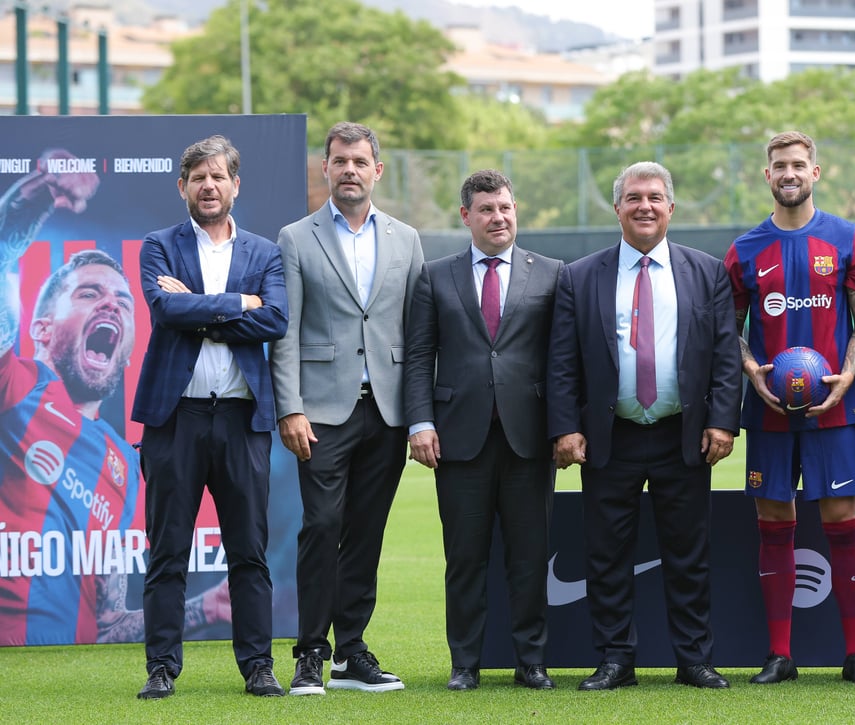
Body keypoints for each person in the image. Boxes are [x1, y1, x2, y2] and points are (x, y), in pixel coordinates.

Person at [0, 154, 229, 649]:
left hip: (75, 664)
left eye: (123, 302)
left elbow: (108, 622)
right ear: (40, 329)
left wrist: (207, 607)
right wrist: (40, 192)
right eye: (87, 294)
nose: (110, 305)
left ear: (127, 348)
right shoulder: (17, 385)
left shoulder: (123, 464)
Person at [547, 161, 740, 691]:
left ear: (671, 207)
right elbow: (563, 361)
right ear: (618, 209)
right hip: (611, 436)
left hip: (685, 434)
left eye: (655, 197)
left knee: (689, 554)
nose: (645, 206)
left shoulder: (706, 272)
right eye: (634, 198)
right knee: (607, 555)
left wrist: (723, 420)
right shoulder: (579, 275)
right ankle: (615, 659)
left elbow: (725, 353)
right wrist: (566, 427)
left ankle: (694, 659)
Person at [130, 135, 288, 699]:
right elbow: (163, 308)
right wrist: (236, 303)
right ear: (182, 187)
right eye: (198, 177)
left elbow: (274, 321)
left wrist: (201, 310)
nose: (208, 186)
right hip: (175, 419)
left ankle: (258, 668)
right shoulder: (158, 245)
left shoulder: (264, 252)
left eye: (218, 176)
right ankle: (162, 668)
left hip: (243, 420)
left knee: (248, 550)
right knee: (168, 550)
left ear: (235, 184)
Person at [271, 122, 424, 695]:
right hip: (321, 410)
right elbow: (284, 333)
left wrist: (419, 414)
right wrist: (290, 407)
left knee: (366, 532)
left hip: (387, 411)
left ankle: (349, 651)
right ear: (326, 169)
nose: (350, 170)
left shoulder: (407, 239)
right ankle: (311, 651)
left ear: (377, 170)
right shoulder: (296, 237)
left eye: (361, 161)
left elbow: (418, 330)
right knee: (321, 526)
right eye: (340, 161)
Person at [723, 131, 855, 686]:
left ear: (816, 172)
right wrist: (750, 372)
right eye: (778, 165)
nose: (788, 173)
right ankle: (780, 655)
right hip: (768, 411)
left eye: (798, 165)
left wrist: (849, 377)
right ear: (767, 176)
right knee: (774, 521)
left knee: (842, 521)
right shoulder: (743, 249)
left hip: (833, 409)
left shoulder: (847, 239)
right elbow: (730, 329)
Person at [404, 170, 562, 692]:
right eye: (488, 209)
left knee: (529, 557)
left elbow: (563, 360)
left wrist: (564, 429)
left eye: (506, 208)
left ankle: (531, 662)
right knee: (465, 559)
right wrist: (421, 422)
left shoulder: (552, 273)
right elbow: (420, 355)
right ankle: (464, 664)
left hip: (529, 438)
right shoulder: (434, 275)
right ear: (466, 216)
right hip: (457, 439)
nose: (499, 217)